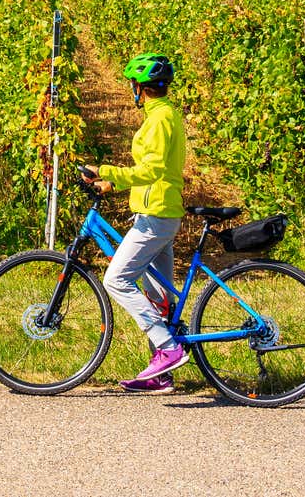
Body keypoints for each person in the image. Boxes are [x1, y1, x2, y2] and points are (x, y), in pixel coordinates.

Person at [81, 53, 187, 394]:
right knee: (159, 298)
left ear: (139, 87)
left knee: (116, 280)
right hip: (160, 212)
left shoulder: (158, 120)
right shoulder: (166, 114)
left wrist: (109, 173)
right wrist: (113, 180)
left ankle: (168, 349)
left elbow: (152, 170)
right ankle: (161, 374)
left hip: (156, 216)